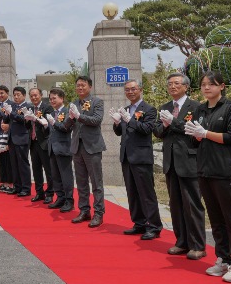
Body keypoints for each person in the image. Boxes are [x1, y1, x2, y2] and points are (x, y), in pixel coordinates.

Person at [186, 71, 231, 283]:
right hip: (205, 171)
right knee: (215, 220)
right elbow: (195, 142)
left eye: (211, 84)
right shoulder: (200, 109)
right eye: (203, 84)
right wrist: (195, 135)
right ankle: (223, 259)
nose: (206, 88)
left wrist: (205, 134)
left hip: (226, 172)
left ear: (221, 86)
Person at [154, 72, 206, 260]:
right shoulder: (165, 107)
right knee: (175, 204)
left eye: (176, 83)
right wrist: (166, 124)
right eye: (169, 84)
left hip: (189, 161)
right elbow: (158, 132)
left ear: (186, 87)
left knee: (192, 204)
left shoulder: (197, 107)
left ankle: (198, 245)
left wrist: (173, 122)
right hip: (171, 163)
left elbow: (193, 133)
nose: (172, 86)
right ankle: (181, 242)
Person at [111, 79, 162, 240]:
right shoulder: (126, 109)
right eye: (127, 90)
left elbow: (147, 129)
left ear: (140, 89)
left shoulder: (149, 109)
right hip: (126, 156)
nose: (130, 92)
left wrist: (129, 120)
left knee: (146, 193)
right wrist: (117, 123)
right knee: (132, 192)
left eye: (133, 89)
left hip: (141, 157)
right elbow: (120, 132)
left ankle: (154, 226)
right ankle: (139, 223)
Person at [67, 76, 106, 228]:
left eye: (83, 85)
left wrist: (79, 116)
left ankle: (98, 213)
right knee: (81, 182)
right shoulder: (74, 103)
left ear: (90, 87)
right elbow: (68, 125)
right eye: (78, 86)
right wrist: (71, 118)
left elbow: (97, 120)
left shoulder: (97, 102)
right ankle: (84, 210)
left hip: (93, 147)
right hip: (77, 146)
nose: (80, 88)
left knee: (96, 182)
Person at [43, 88, 74, 212]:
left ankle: (69, 200)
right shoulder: (53, 113)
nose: (51, 101)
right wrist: (46, 125)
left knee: (66, 176)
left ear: (62, 98)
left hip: (63, 148)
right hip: (52, 148)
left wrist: (53, 122)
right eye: (50, 99)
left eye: (54, 98)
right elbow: (51, 132)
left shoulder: (67, 112)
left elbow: (66, 128)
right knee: (55, 176)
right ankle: (60, 198)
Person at [3, 86, 32, 197]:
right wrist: (6, 113)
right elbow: (7, 120)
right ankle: (17, 186)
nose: (16, 97)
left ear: (24, 96)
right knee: (14, 164)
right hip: (12, 139)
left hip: (22, 138)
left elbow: (23, 120)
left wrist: (12, 113)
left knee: (23, 164)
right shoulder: (13, 106)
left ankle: (26, 188)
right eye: (14, 95)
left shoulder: (27, 107)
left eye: (18, 94)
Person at [28, 88, 53, 203]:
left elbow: (48, 125)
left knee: (48, 169)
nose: (34, 98)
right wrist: (27, 119)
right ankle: (39, 192)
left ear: (41, 95)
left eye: (35, 95)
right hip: (33, 142)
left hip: (44, 142)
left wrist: (36, 119)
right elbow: (27, 126)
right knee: (36, 169)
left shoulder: (47, 107)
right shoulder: (29, 108)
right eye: (31, 96)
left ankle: (50, 193)